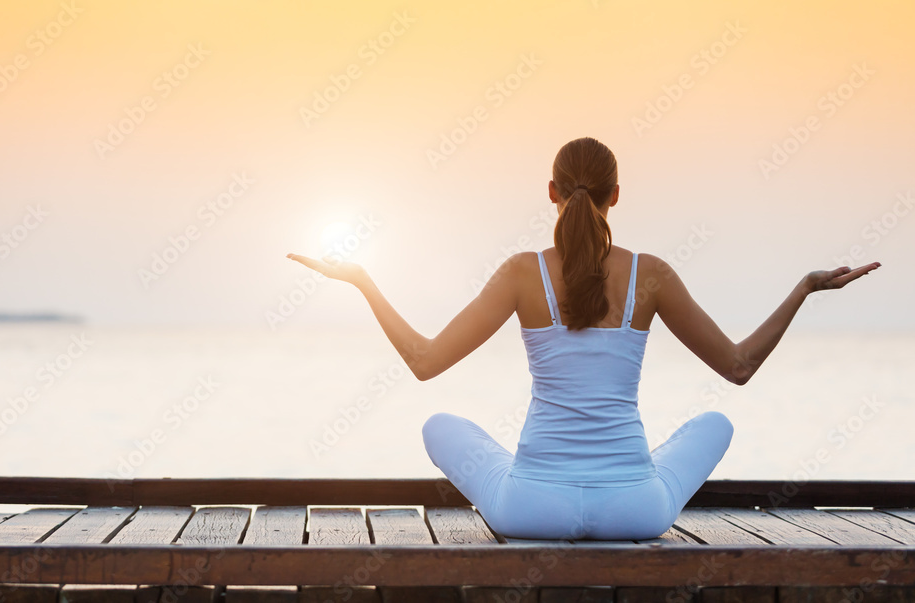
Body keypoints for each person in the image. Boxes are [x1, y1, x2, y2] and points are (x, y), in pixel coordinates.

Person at [286, 137, 881, 540]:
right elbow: (740, 366)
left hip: (528, 510)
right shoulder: (651, 274)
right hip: (636, 512)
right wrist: (803, 289)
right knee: (714, 425)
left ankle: (591, 471)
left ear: (551, 192)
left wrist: (364, 281)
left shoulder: (521, 272)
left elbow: (423, 362)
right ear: (615, 196)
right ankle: (627, 470)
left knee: (439, 425)